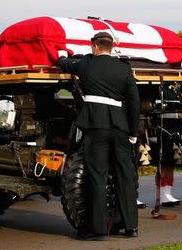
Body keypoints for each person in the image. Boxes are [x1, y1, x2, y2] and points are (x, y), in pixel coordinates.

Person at [56, 32, 139, 240]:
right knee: (124, 175)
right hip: (120, 126)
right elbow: (134, 101)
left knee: (97, 175)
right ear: (111, 47)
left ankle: (99, 229)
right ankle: (131, 227)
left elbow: (65, 64)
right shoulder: (124, 68)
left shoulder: (87, 63)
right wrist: (134, 132)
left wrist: (60, 55)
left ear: (94, 47)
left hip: (96, 126)